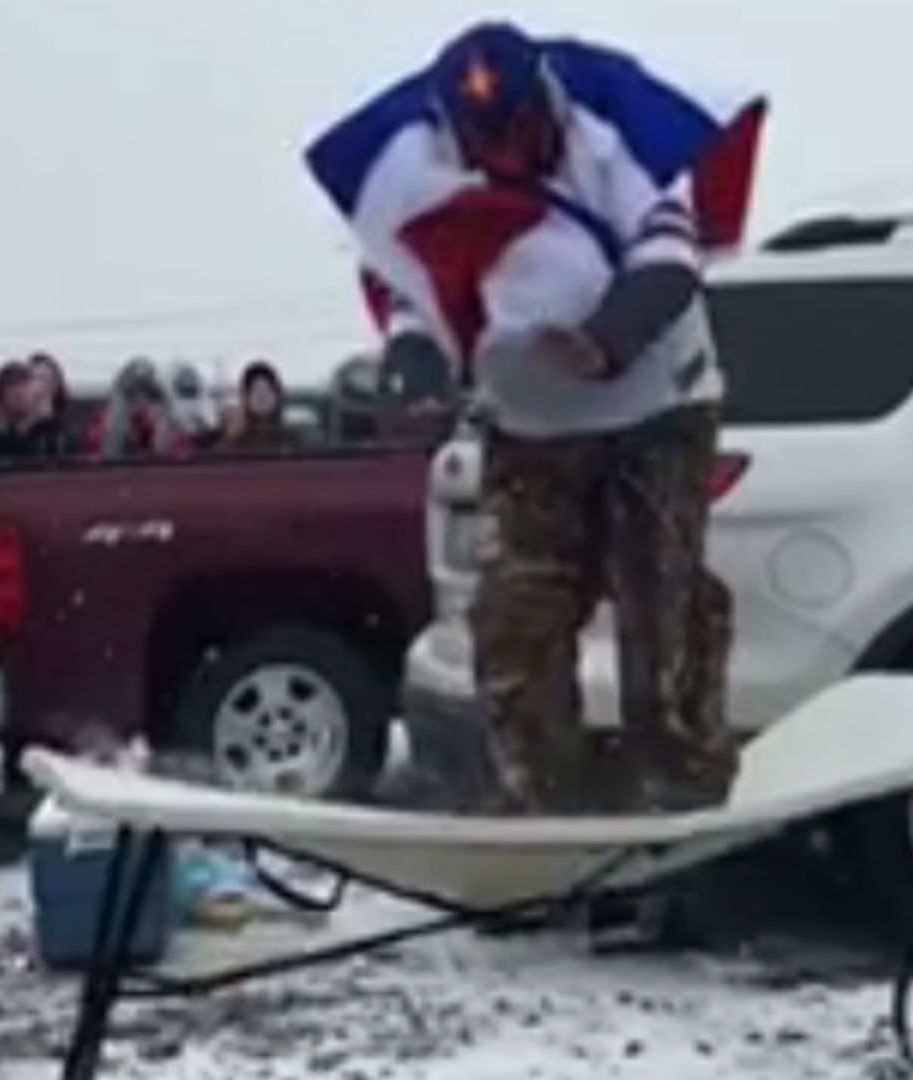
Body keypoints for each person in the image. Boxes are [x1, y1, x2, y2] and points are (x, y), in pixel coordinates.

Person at [305, 22, 767, 813]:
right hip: (531, 431)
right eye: (486, 135)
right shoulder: (422, 174)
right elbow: (414, 296)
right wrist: (415, 366)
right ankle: (559, 809)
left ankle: (683, 790)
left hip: (656, 407)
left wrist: (603, 340)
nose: (504, 149)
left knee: (661, 608)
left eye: (516, 127)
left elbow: (668, 257)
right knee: (515, 628)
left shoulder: (604, 142)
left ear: (542, 105)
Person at [85, 357, 193, 460]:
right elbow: (107, 456)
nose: (139, 399)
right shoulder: (100, 419)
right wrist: (119, 420)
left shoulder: (158, 418)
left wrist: (163, 422)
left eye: (146, 392)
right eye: (130, 394)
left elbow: (173, 456)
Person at [0, 360, 68, 462]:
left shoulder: (56, 432)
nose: (19, 392)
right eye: (11, 387)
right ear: (1, 397)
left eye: (24, 386)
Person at [219, 359, 302, 452]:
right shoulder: (234, 441)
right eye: (256, 391)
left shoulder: (290, 441)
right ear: (246, 397)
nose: (262, 396)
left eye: (267, 390)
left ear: (277, 396)